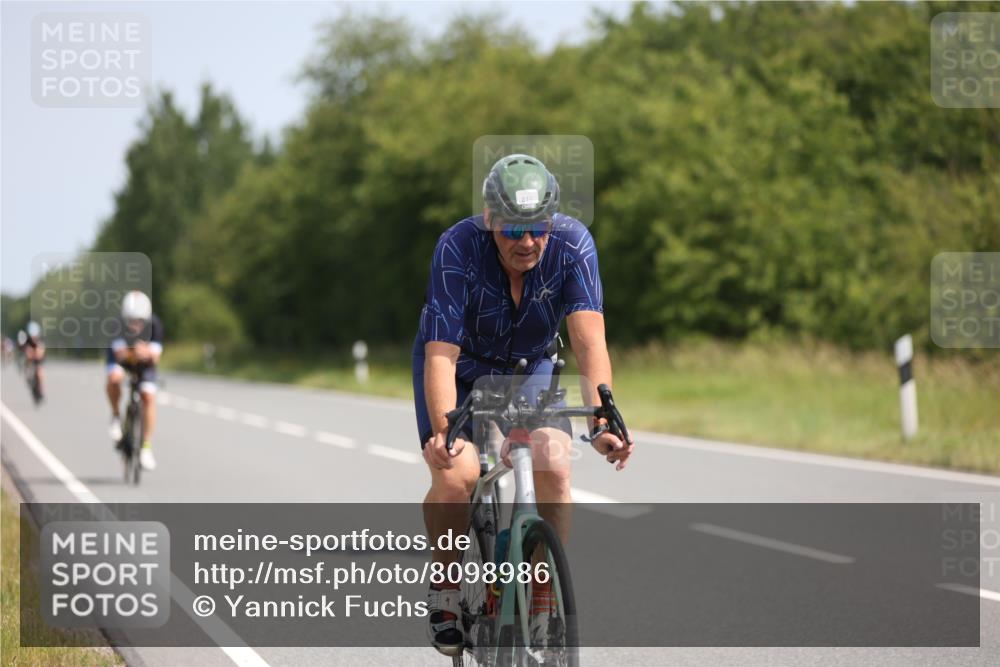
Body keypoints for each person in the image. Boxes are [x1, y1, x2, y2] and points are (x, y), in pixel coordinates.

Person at [413, 153, 635, 655]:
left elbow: (589, 344)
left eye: (538, 228)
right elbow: (441, 356)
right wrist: (446, 430)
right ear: (490, 218)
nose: (528, 242)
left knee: (554, 460)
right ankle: (447, 591)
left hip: (529, 366)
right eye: (513, 229)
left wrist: (604, 418)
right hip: (461, 369)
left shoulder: (574, 246)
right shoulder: (457, 247)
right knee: (456, 474)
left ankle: (540, 600)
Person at [106, 290, 163, 471]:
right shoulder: (116, 325)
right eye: (132, 320)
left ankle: (146, 446)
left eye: (140, 321)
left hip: (144, 363)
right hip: (122, 360)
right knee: (114, 378)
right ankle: (116, 416)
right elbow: (120, 355)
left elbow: (155, 356)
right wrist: (135, 352)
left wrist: (145, 354)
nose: (136, 325)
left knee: (148, 395)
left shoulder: (155, 324)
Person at [21, 321, 47, 400]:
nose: (33, 338)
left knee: (40, 371)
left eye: (35, 336)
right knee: (26, 371)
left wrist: (36, 354)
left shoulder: (40, 341)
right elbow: (26, 351)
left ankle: (41, 389)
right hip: (29, 360)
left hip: (37, 360)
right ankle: (30, 381)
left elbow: (40, 352)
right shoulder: (26, 341)